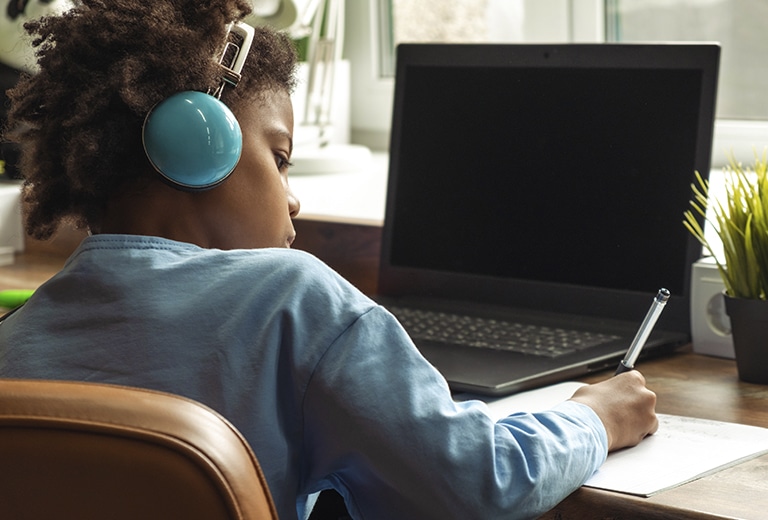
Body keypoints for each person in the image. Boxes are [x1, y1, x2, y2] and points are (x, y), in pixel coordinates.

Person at [0, 1, 658, 519]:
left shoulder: (16, 343)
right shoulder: (292, 297)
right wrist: (594, 417)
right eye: (280, 159)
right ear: (198, 141)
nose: (293, 200)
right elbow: (478, 486)